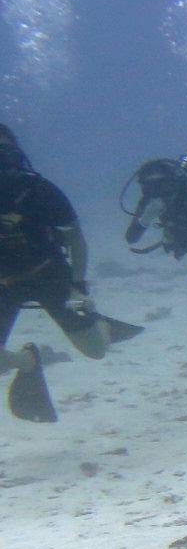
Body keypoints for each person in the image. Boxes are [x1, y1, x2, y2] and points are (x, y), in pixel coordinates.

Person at [0, 123, 114, 379]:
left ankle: (100, 325)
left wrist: (78, 286)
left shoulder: (40, 190)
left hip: (50, 276)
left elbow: (75, 238)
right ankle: (26, 360)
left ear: (16, 154)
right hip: (4, 285)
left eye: (3, 151)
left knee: (96, 351)